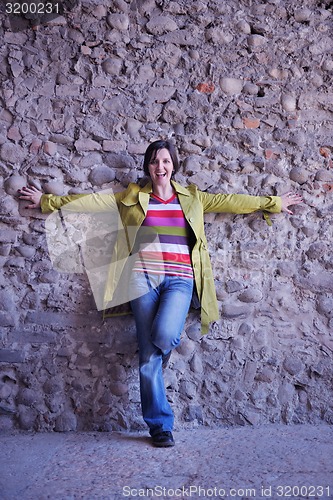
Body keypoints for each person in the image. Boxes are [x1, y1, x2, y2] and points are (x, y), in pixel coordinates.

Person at [19, 139, 303, 447]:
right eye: (154, 162)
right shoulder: (131, 197)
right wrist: (48, 201)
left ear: (174, 166)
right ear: (148, 167)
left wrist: (272, 203)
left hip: (180, 280)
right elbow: (89, 202)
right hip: (142, 278)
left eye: (166, 161)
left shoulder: (192, 198)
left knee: (163, 337)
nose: (160, 167)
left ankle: (158, 409)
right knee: (148, 354)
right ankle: (160, 425)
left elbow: (231, 201)